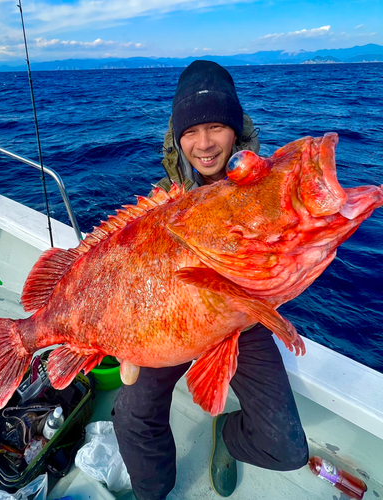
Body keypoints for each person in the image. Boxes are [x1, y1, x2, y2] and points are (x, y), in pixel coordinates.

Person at [112, 60, 309, 500]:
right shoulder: (163, 202)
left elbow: (285, 260)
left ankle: (228, 436)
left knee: (288, 447)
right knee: (130, 413)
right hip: (171, 320)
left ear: (236, 132)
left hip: (240, 316)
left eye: (217, 127)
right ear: (178, 138)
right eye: (190, 132)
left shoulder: (263, 188)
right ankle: (154, 491)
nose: (203, 144)